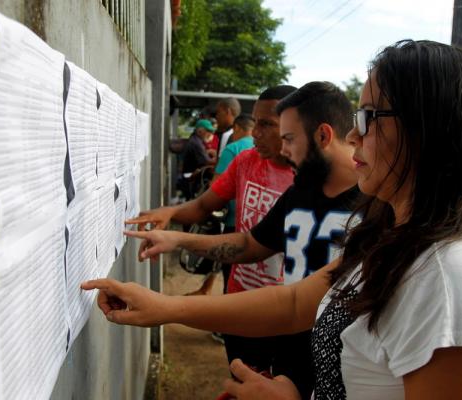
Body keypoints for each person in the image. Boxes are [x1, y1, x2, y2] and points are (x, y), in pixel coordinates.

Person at [83, 40, 462, 400]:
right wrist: (165, 308)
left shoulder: (456, 280)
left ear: (427, 130)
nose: (354, 134)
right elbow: (296, 303)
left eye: (368, 117)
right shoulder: (393, 233)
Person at [129, 82, 358, 398]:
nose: (284, 148)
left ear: (323, 136)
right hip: (289, 362)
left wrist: (167, 307)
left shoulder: (380, 208)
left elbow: (297, 304)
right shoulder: (300, 193)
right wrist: (178, 239)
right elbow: (252, 245)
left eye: (288, 138)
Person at [126, 84, 296, 375]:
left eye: (267, 124)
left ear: (295, 126)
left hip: (287, 311)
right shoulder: (245, 161)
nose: (255, 132)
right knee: (241, 379)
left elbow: (249, 244)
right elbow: (205, 205)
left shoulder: (308, 180)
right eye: (256, 123)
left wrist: (178, 239)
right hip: (238, 301)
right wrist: (172, 212)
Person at [190, 113, 257, 297]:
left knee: (231, 275)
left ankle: (226, 320)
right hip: (257, 224)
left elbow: (216, 187)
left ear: (237, 129)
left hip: (232, 221)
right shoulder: (264, 150)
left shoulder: (233, 148)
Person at [180, 119, 217, 199]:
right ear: (200, 131)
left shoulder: (195, 141)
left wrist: (208, 152)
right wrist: (219, 159)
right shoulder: (196, 143)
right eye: (208, 131)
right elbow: (207, 162)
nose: (210, 134)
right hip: (191, 180)